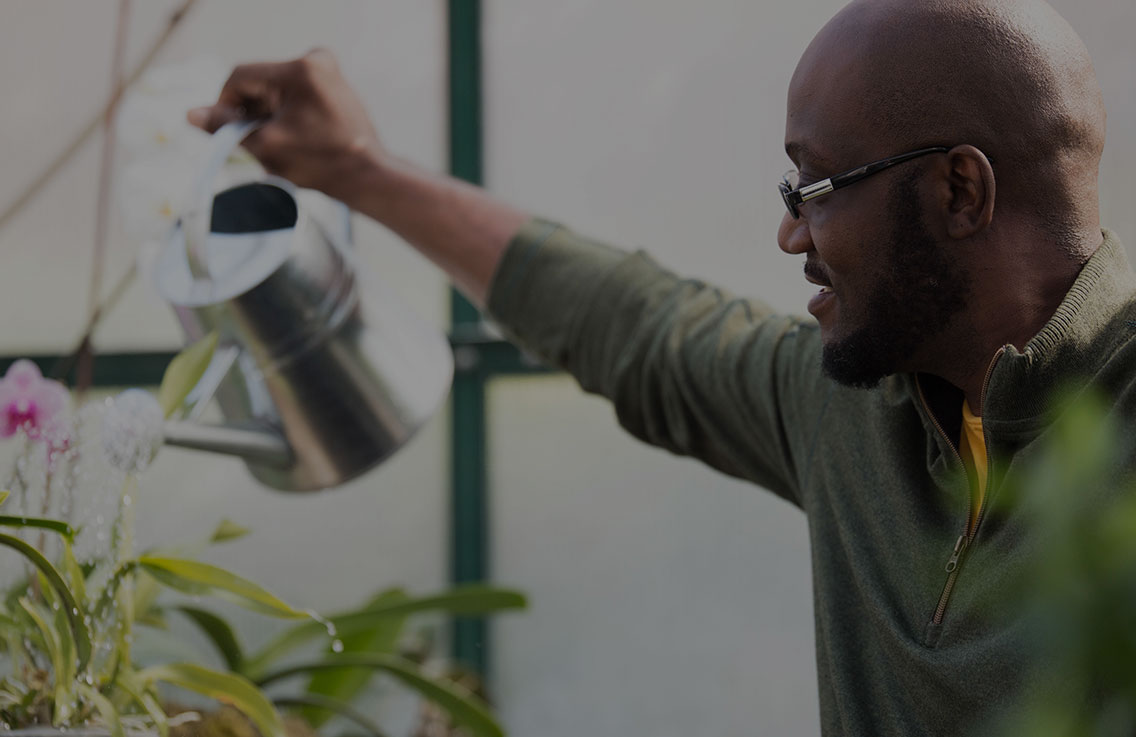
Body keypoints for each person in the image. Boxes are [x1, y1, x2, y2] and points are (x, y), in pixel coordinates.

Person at [189, 0, 1125, 733]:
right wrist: (360, 168)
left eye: (818, 184)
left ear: (959, 189)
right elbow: (641, 325)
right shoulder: (862, 409)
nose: (791, 230)